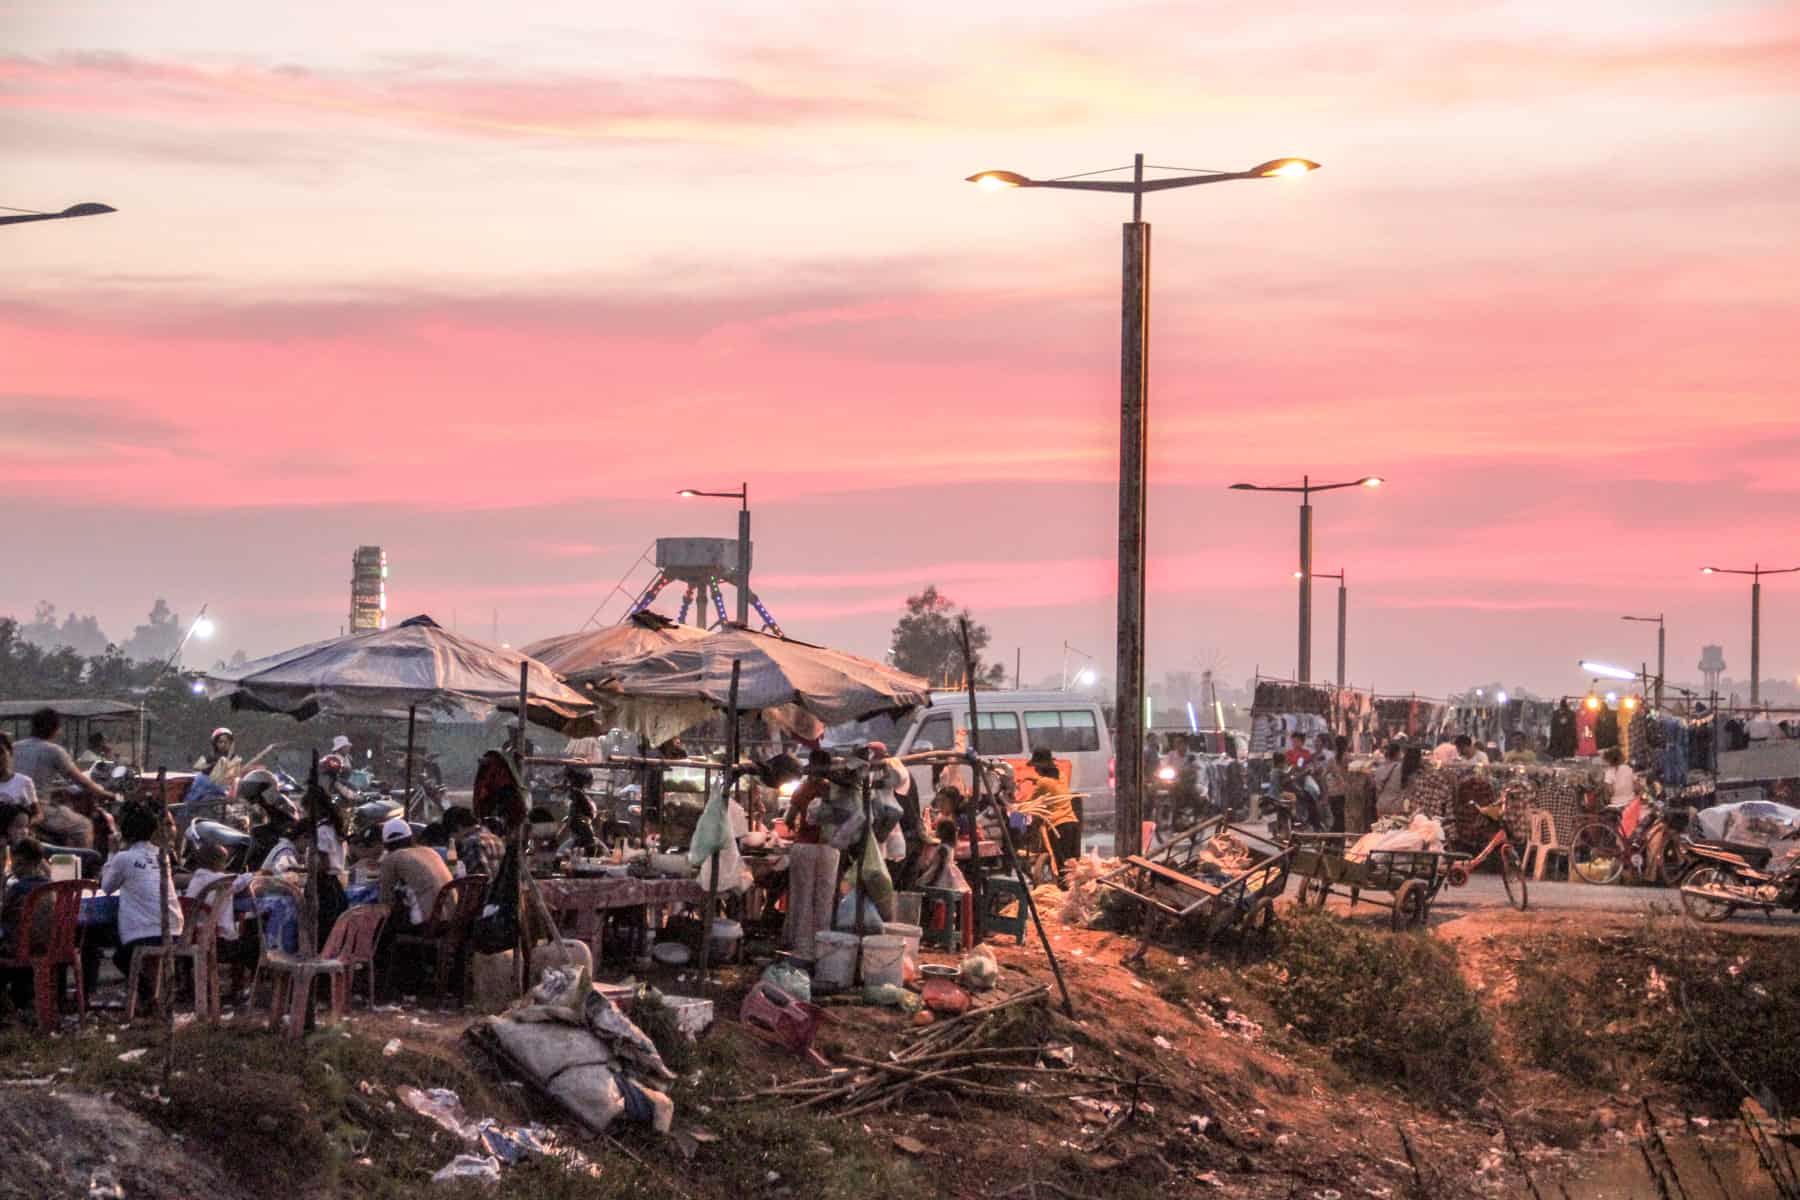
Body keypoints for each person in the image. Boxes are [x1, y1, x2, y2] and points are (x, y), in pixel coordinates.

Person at [101, 803, 183, 1005]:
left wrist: (111, 853)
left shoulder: (124, 858)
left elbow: (107, 887)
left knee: (120, 957)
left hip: (145, 933)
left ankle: (147, 998)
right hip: (174, 928)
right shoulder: (162, 855)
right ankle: (149, 998)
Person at [12, 708, 113, 849]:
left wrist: (56, 790)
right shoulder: (54, 751)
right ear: (54, 729)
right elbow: (80, 780)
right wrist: (105, 794)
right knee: (84, 825)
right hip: (38, 810)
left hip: (11, 807)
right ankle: (85, 868)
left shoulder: (14, 747)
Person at [185, 842, 258, 971]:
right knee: (256, 946)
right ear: (216, 862)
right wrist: (261, 873)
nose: (226, 865)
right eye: (225, 861)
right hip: (218, 942)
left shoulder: (196, 879)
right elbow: (243, 880)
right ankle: (249, 987)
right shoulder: (220, 880)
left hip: (193, 938)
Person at [0, 838, 52, 1012]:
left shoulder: (18, 889)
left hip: (18, 949)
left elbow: (4, 914)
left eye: (17, 863)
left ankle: (10, 1011)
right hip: (47, 948)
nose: (14, 868)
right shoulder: (52, 887)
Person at [377, 817, 453, 929]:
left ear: (385, 845)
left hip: (427, 923)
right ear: (411, 838)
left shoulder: (391, 858)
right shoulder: (429, 851)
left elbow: (385, 898)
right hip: (452, 917)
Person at [1019, 748, 1081, 883]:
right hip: (1073, 824)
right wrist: (1035, 780)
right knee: (1073, 869)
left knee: (1062, 870)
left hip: (1058, 828)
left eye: (1036, 767)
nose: (1035, 770)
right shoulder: (1062, 776)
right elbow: (1052, 786)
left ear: (1041, 767)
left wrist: (1013, 808)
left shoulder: (1043, 783)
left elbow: (1029, 803)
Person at [782, 750, 832, 845]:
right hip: (827, 845)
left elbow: (789, 819)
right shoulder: (832, 789)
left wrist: (793, 828)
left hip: (805, 842)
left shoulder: (802, 789)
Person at [0, 734, 39, 815]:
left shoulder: (23, 781)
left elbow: (38, 814)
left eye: (0, 752)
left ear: (10, 752)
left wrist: (22, 824)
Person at [1371, 743, 1407, 816]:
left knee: (1381, 826)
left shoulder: (1379, 769)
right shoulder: (1401, 769)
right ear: (1397, 753)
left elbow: (1377, 789)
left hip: (1381, 805)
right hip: (1395, 806)